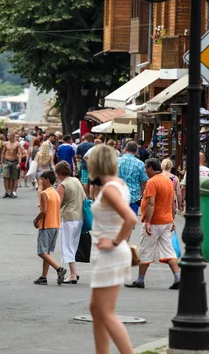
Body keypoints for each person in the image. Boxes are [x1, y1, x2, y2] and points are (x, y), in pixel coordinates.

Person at [87, 145, 137, 354]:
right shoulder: (118, 184)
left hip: (111, 252)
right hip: (109, 251)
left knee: (106, 312)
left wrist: (115, 242)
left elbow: (131, 218)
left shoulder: (109, 189)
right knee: (97, 309)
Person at [126, 158, 180, 290]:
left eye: (146, 168)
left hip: (155, 221)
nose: (145, 171)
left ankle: (140, 280)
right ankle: (178, 278)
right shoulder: (168, 181)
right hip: (166, 221)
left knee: (145, 250)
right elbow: (172, 203)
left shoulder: (152, 182)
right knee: (169, 251)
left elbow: (151, 203)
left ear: (150, 168)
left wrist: (148, 222)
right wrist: (172, 219)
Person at [32, 170, 67, 285]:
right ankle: (43, 277)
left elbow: (44, 211)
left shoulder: (44, 193)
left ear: (47, 180)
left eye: (42, 179)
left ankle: (59, 269)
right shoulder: (56, 193)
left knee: (41, 252)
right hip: (55, 225)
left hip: (46, 225)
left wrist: (36, 219)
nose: (41, 182)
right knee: (47, 252)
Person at [55, 161, 84, 284]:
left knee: (67, 246)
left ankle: (73, 274)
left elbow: (58, 203)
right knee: (73, 245)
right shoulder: (76, 181)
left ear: (60, 173)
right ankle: (75, 272)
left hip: (68, 217)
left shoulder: (62, 185)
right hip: (80, 216)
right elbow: (84, 197)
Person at [117, 141, 149, 217]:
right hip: (133, 197)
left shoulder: (117, 161)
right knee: (129, 223)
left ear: (125, 149)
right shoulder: (139, 163)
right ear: (136, 151)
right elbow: (144, 182)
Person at [0, 132, 23, 198]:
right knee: (5, 177)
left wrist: (19, 163)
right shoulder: (6, 143)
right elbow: (3, 153)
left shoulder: (17, 144)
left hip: (14, 161)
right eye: (7, 135)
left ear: (12, 136)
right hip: (6, 161)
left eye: (8, 135)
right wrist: (1, 162)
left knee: (13, 178)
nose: (7, 136)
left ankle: (12, 191)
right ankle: (6, 191)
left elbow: (20, 153)